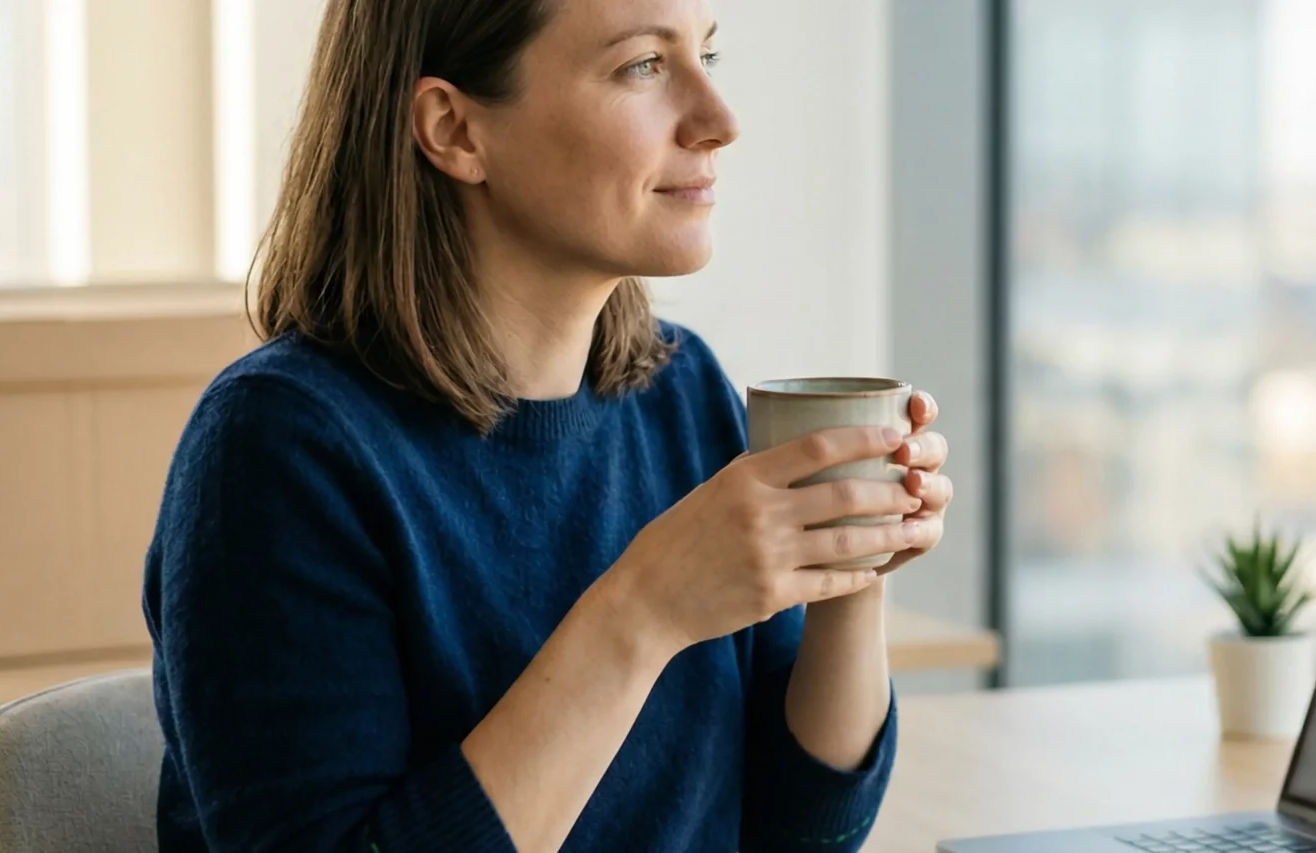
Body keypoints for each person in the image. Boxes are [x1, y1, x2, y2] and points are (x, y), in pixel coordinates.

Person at [139, 0, 953, 850]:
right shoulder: (277, 452)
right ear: (454, 130)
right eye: (643, 66)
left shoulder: (685, 393)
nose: (719, 120)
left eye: (707, 56)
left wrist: (851, 568)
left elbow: (799, 832)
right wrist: (644, 612)